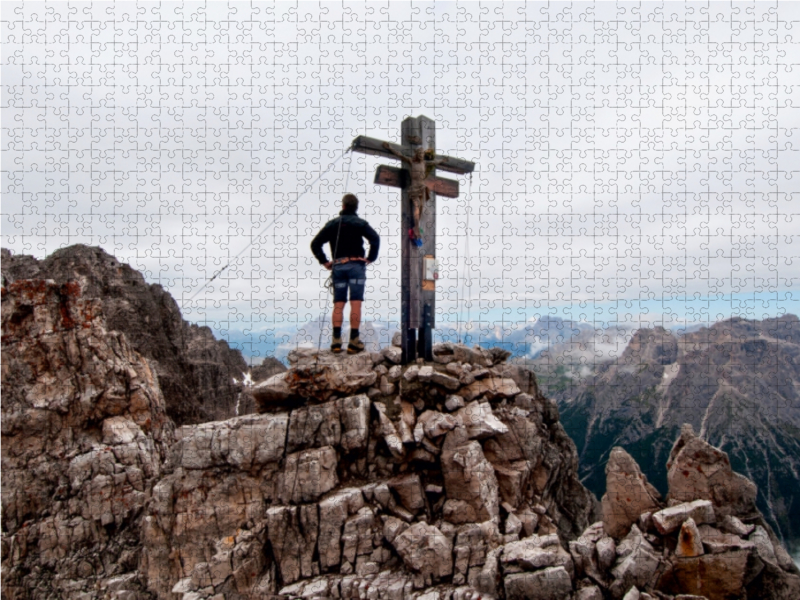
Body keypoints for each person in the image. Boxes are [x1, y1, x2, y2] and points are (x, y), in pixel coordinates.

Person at [311, 193, 380, 354]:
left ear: (343, 206)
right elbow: (375, 239)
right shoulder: (360, 223)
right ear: (356, 208)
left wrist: (325, 261)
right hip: (356, 265)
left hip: (338, 267)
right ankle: (354, 341)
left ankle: (336, 341)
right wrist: (370, 258)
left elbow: (315, 244)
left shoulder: (332, 224)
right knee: (356, 302)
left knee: (338, 304)